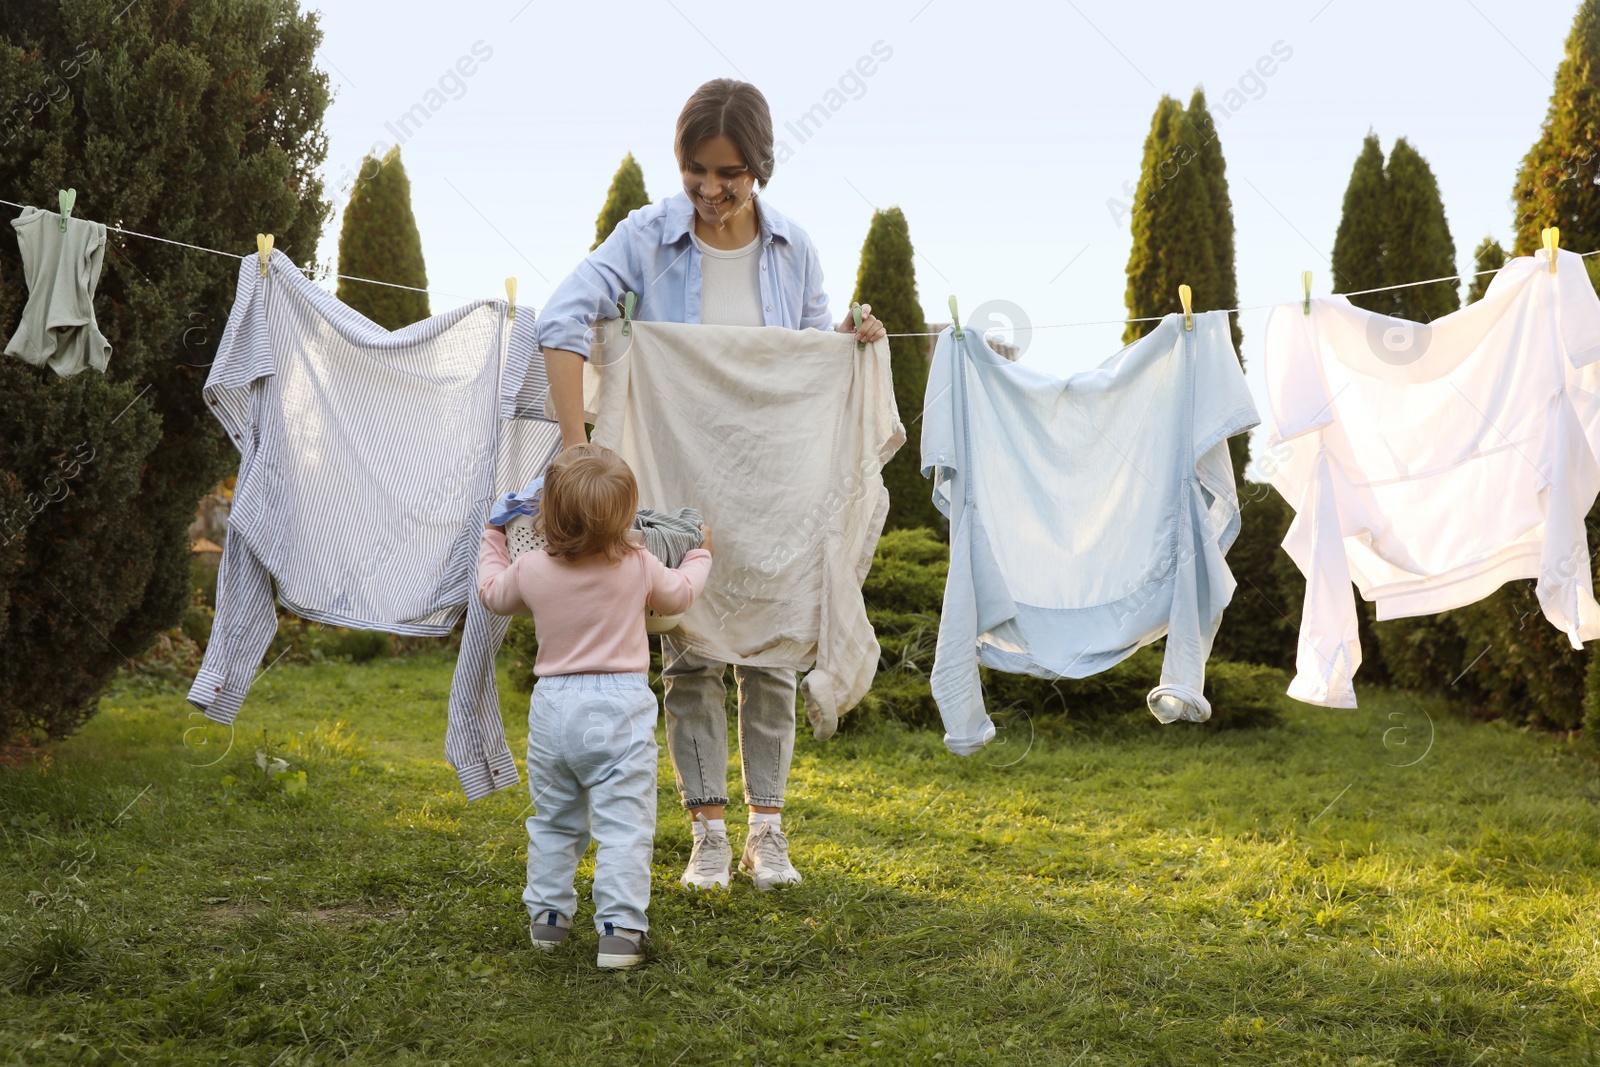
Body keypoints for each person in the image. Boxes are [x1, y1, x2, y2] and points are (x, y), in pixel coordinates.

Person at [537, 78, 887, 893]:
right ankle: (708, 835)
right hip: (675, 476)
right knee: (687, 651)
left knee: (770, 652)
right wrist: (574, 450)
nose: (710, 189)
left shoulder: (795, 249)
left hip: (771, 488)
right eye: (696, 169)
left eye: (728, 173)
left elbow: (801, 369)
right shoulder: (645, 237)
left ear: (759, 167)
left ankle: (769, 830)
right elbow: (560, 317)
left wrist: (843, 345)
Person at [477, 444, 712, 968]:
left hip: (554, 705)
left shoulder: (533, 566)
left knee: (555, 819)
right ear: (626, 516)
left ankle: (548, 922)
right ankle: (620, 933)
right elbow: (677, 597)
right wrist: (700, 555)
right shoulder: (637, 563)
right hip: (619, 704)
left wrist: (494, 537)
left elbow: (492, 592)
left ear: (548, 513)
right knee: (624, 824)